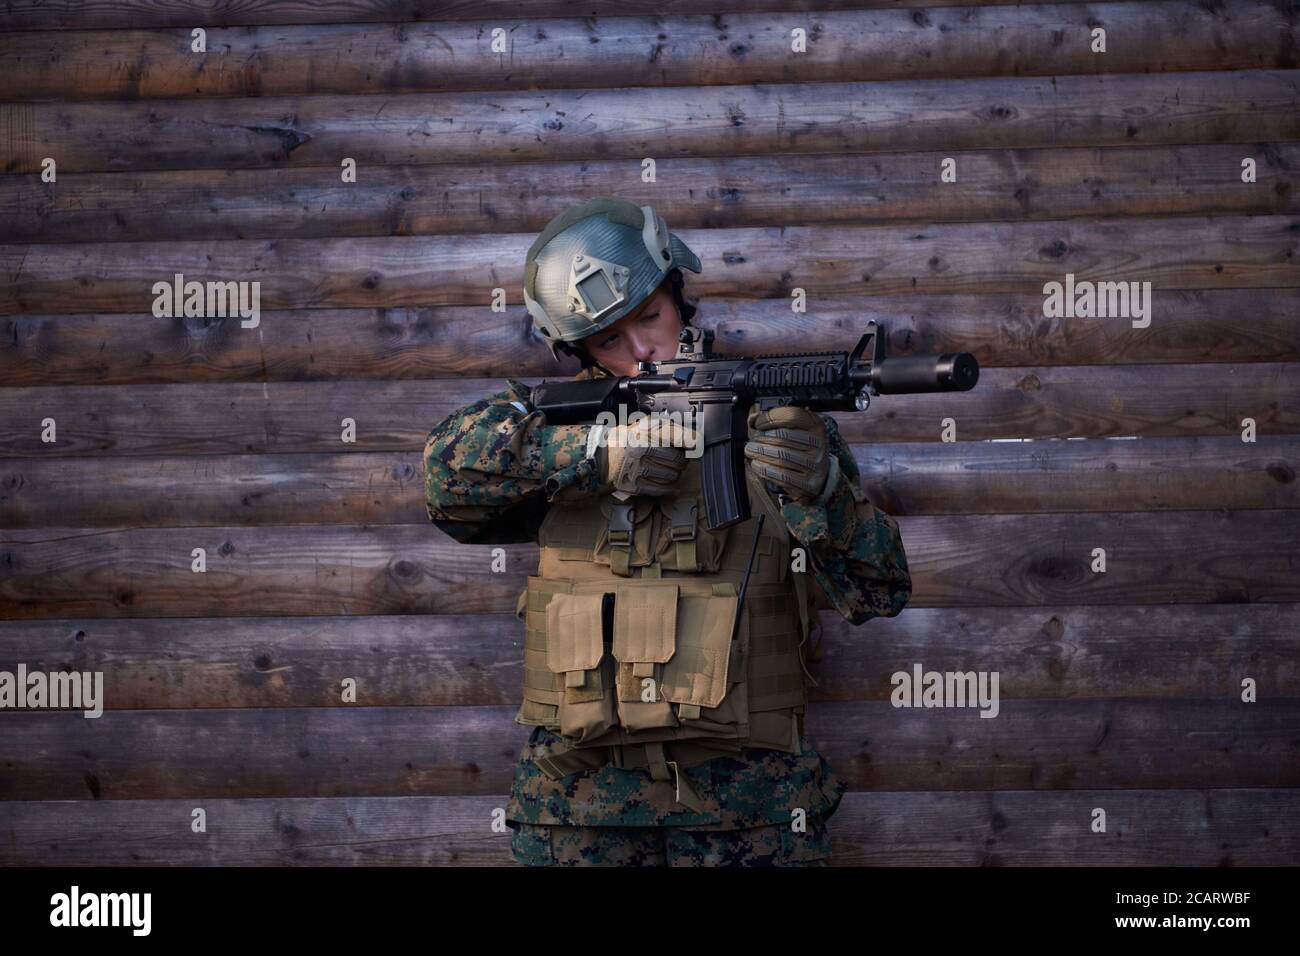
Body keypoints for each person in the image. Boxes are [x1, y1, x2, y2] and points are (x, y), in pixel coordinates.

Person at [423, 197, 911, 866]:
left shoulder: (780, 430)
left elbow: (880, 593)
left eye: (650, 316)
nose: (639, 351)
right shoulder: (554, 433)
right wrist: (593, 455)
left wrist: (821, 492)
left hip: (751, 817)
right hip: (577, 816)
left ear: (680, 294)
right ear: (577, 351)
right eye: (606, 340)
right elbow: (444, 476)